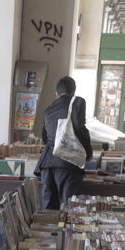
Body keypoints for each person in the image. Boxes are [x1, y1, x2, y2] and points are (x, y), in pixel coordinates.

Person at [37, 77, 93, 210]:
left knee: (48, 210)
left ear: (57, 94)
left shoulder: (48, 110)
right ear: (74, 91)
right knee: (69, 209)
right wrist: (88, 153)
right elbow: (79, 128)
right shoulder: (77, 102)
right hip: (68, 164)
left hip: (47, 166)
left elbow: (44, 138)